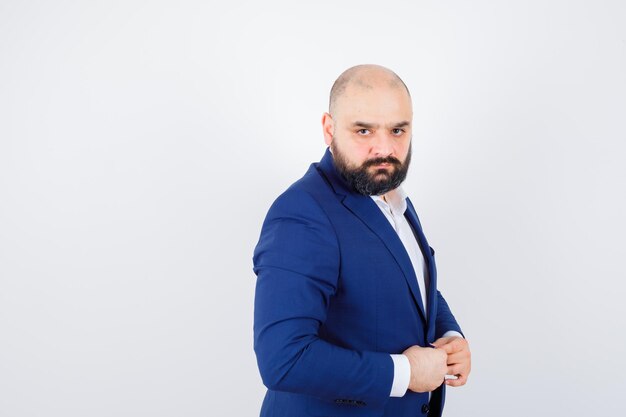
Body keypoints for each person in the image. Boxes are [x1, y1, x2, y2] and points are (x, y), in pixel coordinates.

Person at [252, 64, 471, 417]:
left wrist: (450, 335)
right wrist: (406, 373)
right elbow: (284, 359)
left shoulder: (391, 195)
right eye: (364, 130)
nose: (384, 149)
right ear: (329, 128)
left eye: (398, 130)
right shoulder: (301, 213)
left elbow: (412, 282)